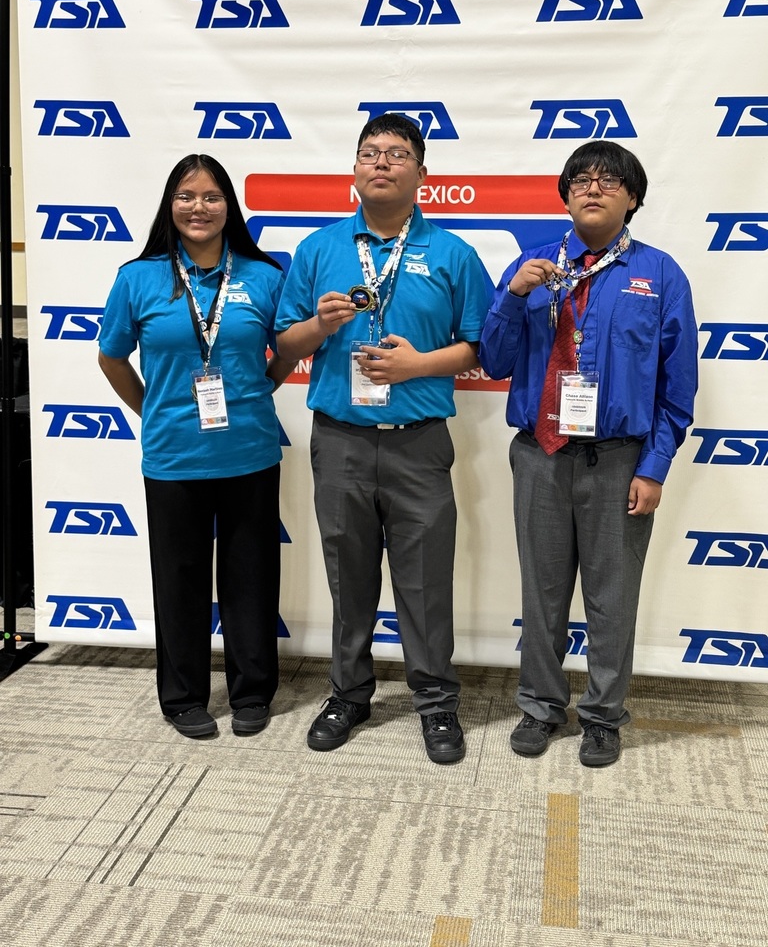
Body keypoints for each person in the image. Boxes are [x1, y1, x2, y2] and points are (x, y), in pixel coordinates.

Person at [275, 114, 490, 764]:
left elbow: (483, 346)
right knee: (349, 576)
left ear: (422, 173)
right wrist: (319, 323)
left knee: (424, 581)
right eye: (370, 153)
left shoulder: (454, 253)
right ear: (355, 169)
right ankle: (348, 692)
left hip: (418, 443)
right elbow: (283, 346)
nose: (381, 163)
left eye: (397, 154)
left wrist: (416, 366)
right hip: (339, 440)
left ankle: (435, 701)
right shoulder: (319, 249)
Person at [479, 140, 698, 767]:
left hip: (621, 460)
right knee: (541, 592)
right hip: (540, 455)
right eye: (580, 179)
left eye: (609, 180)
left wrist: (654, 466)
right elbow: (494, 361)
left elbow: (676, 385)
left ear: (633, 198)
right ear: (565, 194)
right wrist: (510, 299)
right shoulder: (533, 266)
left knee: (612, 595)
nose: (593, 187)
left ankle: (603, 716)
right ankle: (540, 707)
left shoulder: (660, 275)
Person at [98, 153, 296, 739]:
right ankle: (183, 697)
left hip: (250, 452)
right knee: (179, 578)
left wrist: (259, 389)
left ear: (229, 206)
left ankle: (253, 692)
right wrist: (152, 409)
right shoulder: (139, 278)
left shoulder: (262, 276)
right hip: (173, 456)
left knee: (250, 576)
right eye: (186, 196)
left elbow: (284, 352)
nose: (199, 207)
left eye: (212, 196)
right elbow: (111, 357)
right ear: (169, 205)